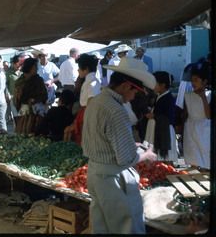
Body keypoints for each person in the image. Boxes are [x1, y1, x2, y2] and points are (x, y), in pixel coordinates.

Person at [81, 57, 157, 234]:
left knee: (102, 229)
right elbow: (126, 159)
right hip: (111, 178)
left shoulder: (96, 102)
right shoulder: (116, 110)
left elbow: (99, 138)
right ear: (125, 85)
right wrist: (147, 155)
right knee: (126, 228)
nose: (134, 96)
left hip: (94, 172)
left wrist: (131, 143)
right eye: (135, 91)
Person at [64, 54, 101, 144]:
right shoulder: (88, 81)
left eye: (80, 67)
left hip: (88, 118)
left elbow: (90, 108)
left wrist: (72, 127)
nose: (78, 70)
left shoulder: (93, 84)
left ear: (86, 68)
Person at [144, 71, 177, 163]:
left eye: (154, 83)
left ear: (162, 85)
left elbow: (169, 117)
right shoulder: (159, 96)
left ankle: (168, 172)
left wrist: (154, 115)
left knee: (166, 157)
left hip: (164, 130)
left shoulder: (168, 98)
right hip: (156, 128)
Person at [182, 69, 211, 170]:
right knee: (193, 156)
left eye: (196, 80)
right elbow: (185, 113)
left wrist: (203, 98)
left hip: (204, 128)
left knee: (205, 155)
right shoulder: (187, 95)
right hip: (190, 127)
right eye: (192, 80)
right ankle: (193, 179)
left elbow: (208, 116)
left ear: (204, 82)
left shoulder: (210, 95)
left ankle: (204, 178)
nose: (193, 83)